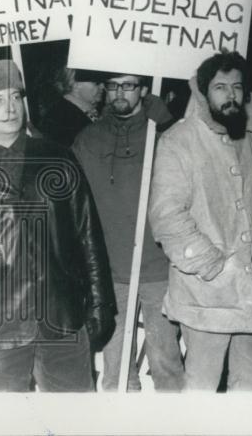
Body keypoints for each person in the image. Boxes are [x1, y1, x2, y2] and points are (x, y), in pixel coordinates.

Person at [0, 59, 116, 391]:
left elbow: (89, 235)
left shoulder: (58, 158)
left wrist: (101, 303)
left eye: (15, 97)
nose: (11, 107)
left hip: (63, 320)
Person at [148, 51, 252, 392]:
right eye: (220, 87)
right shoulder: (178, 141)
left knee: (251, 382)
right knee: (202, 386)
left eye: (237, 87)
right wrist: (212, 264)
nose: (231, 96)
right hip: (207, 289)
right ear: (202, 92)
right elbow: (166, 215)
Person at [72, 72, 184, 392]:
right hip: (109, 267)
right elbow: (75, 197)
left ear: (144, 90)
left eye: (129, 85)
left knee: (165, 357)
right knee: (115, 364)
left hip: (158, 264)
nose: (120, 91)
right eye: (113, 85)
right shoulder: (88, 139)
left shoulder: (165, 137)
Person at [40, 67, 107, 147]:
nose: (103, 86)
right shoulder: (60, 120)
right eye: (96, 82)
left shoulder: (92, 110)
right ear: (75, 85)